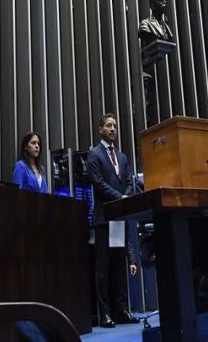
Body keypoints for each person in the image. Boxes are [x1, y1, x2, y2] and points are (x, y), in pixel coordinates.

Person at [87, 114, 139, 328]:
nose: (112, 129)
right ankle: (105, 314)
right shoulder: (94, 154)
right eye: (108, 126)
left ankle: (122, 311)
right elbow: (98, 184)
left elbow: (129, 181)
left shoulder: (122, 156)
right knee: (103, 268)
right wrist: (121, 198)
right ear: (100, 129)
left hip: (118, 219)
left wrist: (125, 196)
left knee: (118, 265)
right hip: (103, 219)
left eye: (115, 126)